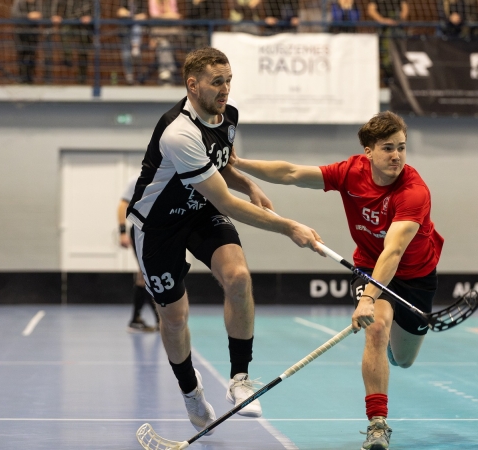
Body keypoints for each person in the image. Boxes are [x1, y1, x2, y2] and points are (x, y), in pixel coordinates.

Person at [126, 47, 322, 433]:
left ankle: (240, 378)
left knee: (239, 277)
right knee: (175, 318)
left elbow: (223, 164)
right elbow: (226, 202)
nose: (226, 89)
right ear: (192, 85)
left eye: (229, 80)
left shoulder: (227, 115)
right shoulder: (178, 132)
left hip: (199, 211)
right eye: (217, 82)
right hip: (158, 226)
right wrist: (288, 226)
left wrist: (250, 184)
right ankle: (190, 391)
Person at [231, 111, 443, 450]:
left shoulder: (413, 191)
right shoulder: (351, 172)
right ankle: (377, 423)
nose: (397, 156)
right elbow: (291, 173)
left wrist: (367, 299)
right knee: (376, 328)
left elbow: (394, 251)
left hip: (415, 277)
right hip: (370, 267)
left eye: (402, 147)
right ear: (368, 151)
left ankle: (391, 342)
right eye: (388, 148)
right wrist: (239, 164)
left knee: (404, 360)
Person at [119, 175, 160, 332]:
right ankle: (158, 320)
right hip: (140, 232)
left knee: (144, 275)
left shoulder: (166, 179)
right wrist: (122, 231)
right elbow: (122, 205)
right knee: (146, 274)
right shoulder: (138, 180)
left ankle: (136, 319)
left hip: (157, 233)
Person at [53, 0, 93, 84]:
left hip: (84, 25)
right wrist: (57, 15)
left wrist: (90, 17)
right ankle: (68, 58)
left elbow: (96, 11)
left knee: (83, 51)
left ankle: (82, 78)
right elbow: (58, 6)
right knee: (64, 33)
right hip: (69, 21)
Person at [149, 0, 182, 85]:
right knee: (164, 44)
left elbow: (176, 16)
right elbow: (154, 16)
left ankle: (164, 73)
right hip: (159, 30)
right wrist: (168, 15)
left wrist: (166, 8)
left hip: (170, 33)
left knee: (163, 43)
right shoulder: (153, 1)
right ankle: (168, 72)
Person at [11, 0, 44, 84]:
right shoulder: (18, 2)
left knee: (31, 56)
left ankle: (29, 79)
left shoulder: (38, 3)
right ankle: (22, 79)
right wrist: (28, 16)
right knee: (22, 55)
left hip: (33, 34)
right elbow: (14, 15)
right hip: (20, 34)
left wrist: (37, 16)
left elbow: (41, 14)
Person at [117, 0, 149, 85]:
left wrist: (129, 15)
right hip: (125, 30)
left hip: (138, 32)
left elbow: (143, 16)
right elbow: (120, 12)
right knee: (126, 55)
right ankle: (129, 77)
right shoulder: (124, 2)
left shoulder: (141, 2)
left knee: (137, 56)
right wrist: (134, 16)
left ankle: (139, 77)